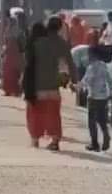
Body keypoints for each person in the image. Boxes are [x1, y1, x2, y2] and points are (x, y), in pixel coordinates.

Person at [21, 17, 76, 151]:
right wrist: (73, 80)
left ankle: (35, 140)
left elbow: (27, 64)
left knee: (35, 113)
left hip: (37, 86)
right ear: (59, 28)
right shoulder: (62, 44)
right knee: (53, 115)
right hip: (53, 85)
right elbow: (69, 64)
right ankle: (55, 140)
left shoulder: (37, 43)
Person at [80, 45, 112, 152]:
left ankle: (94, 144)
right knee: (102, 120)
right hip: (103, 97)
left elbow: (87, 81)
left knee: (92, 121)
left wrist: (79, 86)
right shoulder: (104, 65)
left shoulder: (91, 67)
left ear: (92, 55)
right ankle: (106, 134)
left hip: (93, 96)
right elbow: (110, 80)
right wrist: (111, 93)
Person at [0, 8, 25, 97]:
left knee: (12, 73)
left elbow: (21, 44)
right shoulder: (16, 31)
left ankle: (13, 90)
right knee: (9, 73)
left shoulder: (16, 31)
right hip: (12, 54)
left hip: (12, 54)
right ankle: (10, 90)